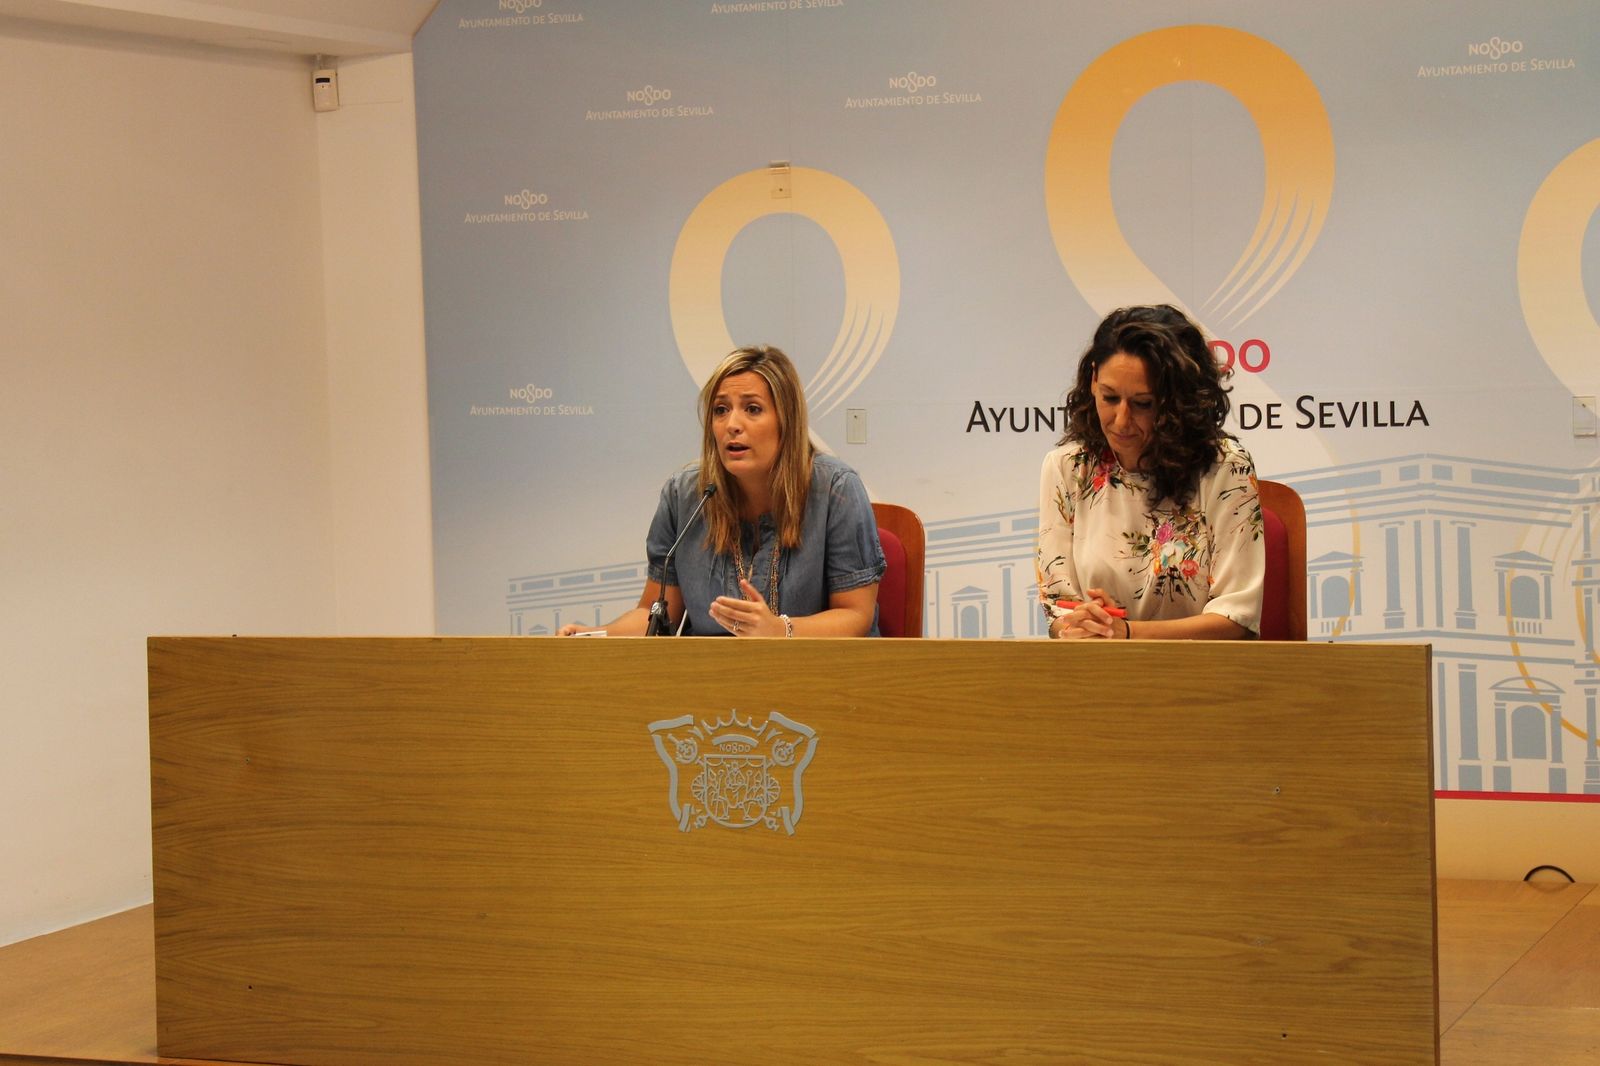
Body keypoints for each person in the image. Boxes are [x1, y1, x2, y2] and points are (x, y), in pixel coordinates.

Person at [559, 345, 885, 637]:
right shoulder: (685, 495)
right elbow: (657, 613)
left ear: (787, 421)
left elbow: (855, 614)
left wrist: (781, 630)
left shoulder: (836, 491)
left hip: (814, 681)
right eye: (720, 410)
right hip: (711, 689)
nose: (732, 424)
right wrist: (596, 636)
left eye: (752, 409)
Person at [1036, 305, 1264, 640]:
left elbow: (1236, 620)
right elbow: (1058, 608)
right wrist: (1084, 624)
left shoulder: (1225, 467)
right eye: (1110, 397)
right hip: (1096, 677)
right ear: (1093, 379)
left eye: (1143, 404)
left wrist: (1126, 633)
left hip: (1203, 679)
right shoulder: (1067, 467)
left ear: (1177, 402)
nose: (1121, 420)